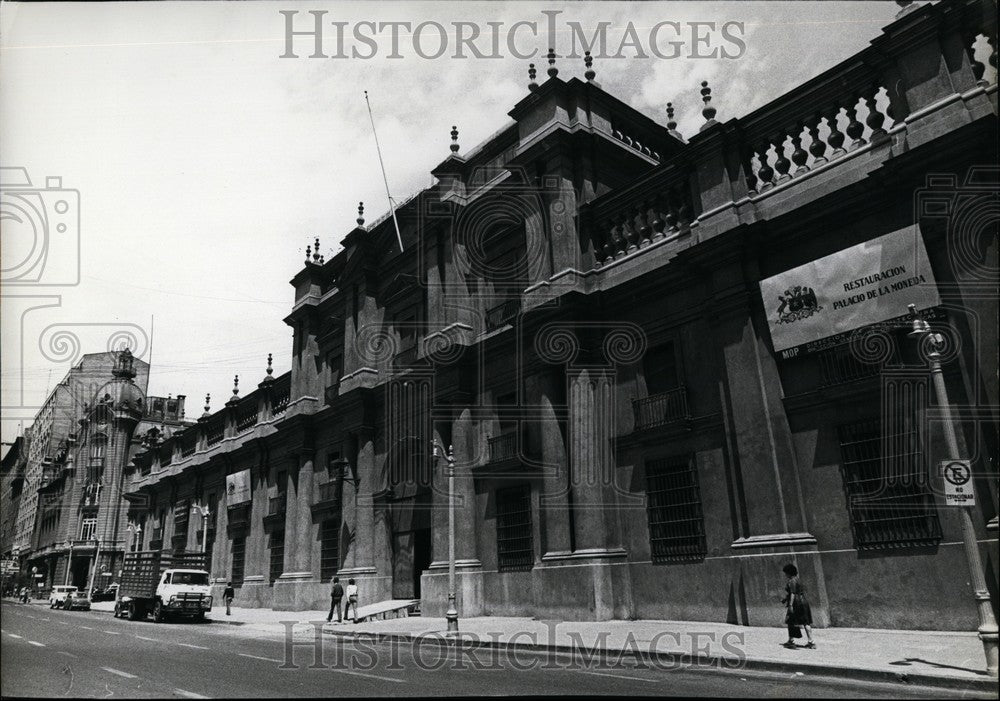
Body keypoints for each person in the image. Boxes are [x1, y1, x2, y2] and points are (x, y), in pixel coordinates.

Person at [781, 563, 815, 649]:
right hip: (804, 602)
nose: (785, 575)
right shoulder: (798, 579)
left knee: (791, 621)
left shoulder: (792, 581)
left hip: (796, 603)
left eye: (786, 573)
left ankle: (791, 641)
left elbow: (792, 593)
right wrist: (785, 599)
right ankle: (811, 642)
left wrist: (791, 605)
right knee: (806, 622)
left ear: (789, 573)